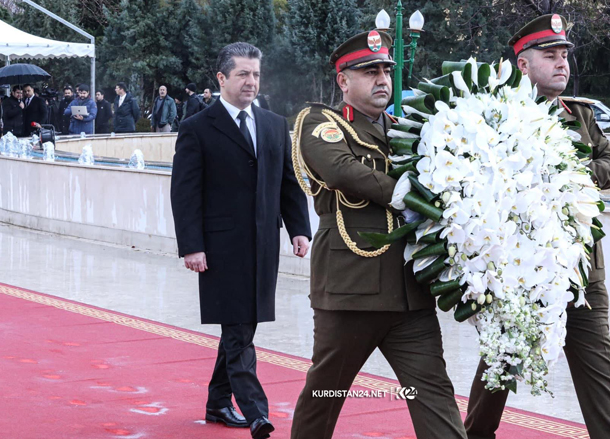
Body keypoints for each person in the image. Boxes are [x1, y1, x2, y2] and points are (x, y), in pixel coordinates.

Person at [290, 31, 467, 439]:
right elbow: (341, 171)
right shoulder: (321, 123)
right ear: (343, 81)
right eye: (369, 71)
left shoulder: (410, 130)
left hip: (410, 293)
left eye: (386, 69)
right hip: (352, 291)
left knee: (435, 394)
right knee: (325, 395)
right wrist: (410, 196)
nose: (382, 79)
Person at [463, 14, 610, 439]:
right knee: (500, 364)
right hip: (520, 273)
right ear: (522, 64)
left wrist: (568, 169)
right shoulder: (495, 116)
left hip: (581, 272)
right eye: (550, 55)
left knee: (600, 373)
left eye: (564, 55)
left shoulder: (579, 116)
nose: (562, 63)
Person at [170, 42, 311, 439]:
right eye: (243, 74)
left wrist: (299, 228)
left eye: (256, 75)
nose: (251, 82)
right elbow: (184, 193)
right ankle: (256, 413)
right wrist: (191, 246)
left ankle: (217, 402)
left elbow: (288, 182)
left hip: (263, 247)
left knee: (241, 328)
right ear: (221, 79)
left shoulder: (272, 124)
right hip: (218, 251)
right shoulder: (196, 127)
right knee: (237, 331)